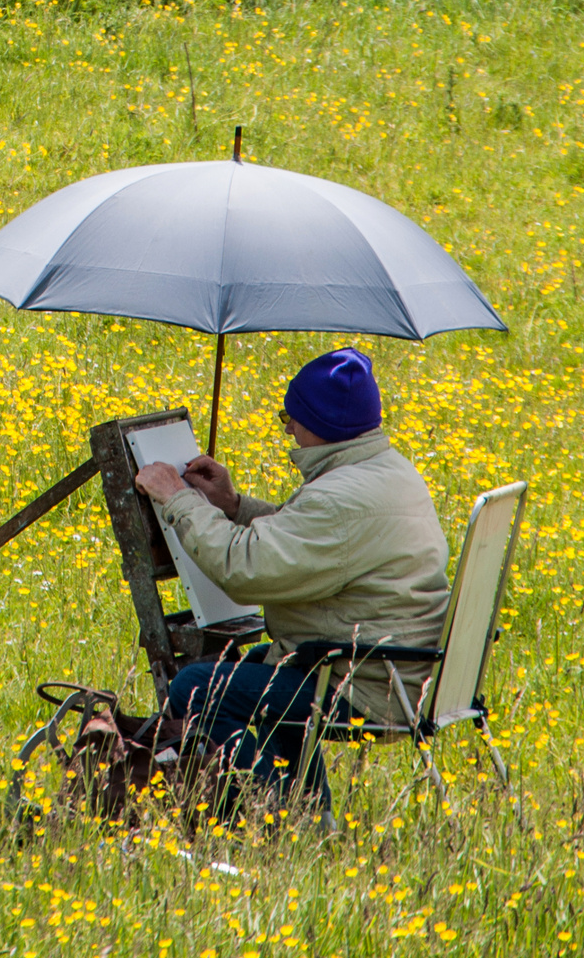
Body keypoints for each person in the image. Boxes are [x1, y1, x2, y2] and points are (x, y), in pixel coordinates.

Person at [132, 347, 450, 812]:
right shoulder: (388, 472)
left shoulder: (339, 499)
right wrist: (234, 505)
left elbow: (246, 569)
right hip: (396, 669)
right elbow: (317, 541)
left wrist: (180, 499)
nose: (288, 428)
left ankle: (273, 818)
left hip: (368, 684)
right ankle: (305, 808)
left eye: (291, 416)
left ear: (319, 424)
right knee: (268, 664)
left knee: (196, 687)